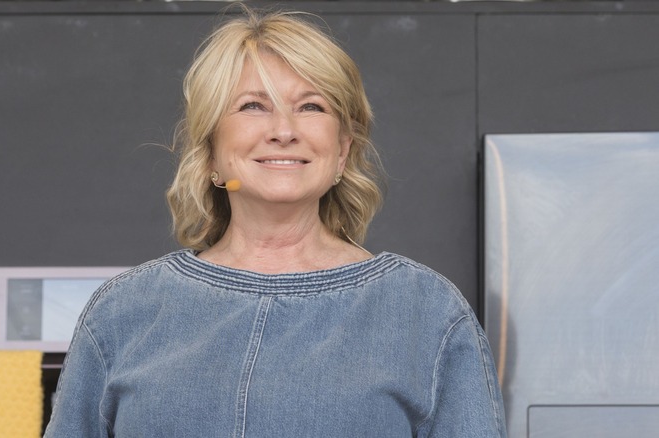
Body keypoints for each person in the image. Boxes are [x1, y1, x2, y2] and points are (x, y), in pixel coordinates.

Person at [45, 7, 506, 437]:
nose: (284, 131)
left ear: (342, 150)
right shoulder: (123, 313)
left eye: (311, 107)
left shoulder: (427, 313)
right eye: (252, 106)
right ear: (209, 151)